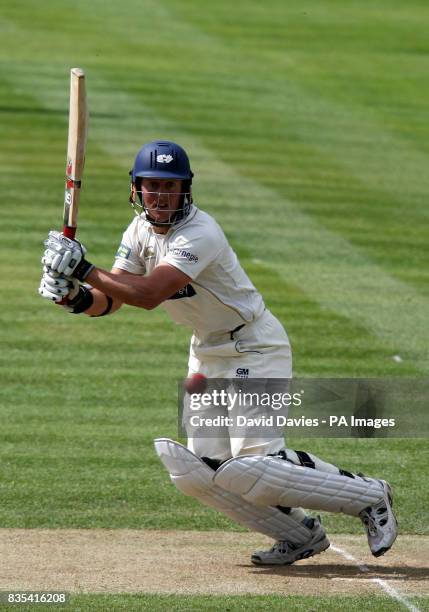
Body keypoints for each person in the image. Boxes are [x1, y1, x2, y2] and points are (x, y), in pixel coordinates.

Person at [39, 140, 397, 565]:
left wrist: (81, 269)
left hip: (254, 347)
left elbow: (150, 294)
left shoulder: (200, 232)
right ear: (135, 189)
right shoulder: (137, 233)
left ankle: (370, 495)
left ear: (186, 189)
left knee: (257, 467)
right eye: (151, 185)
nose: (159, 194)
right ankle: (299, 534)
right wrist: (75, 297)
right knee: (202, 473)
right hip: (206, 352)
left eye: (169, 186)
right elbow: (113, 297)